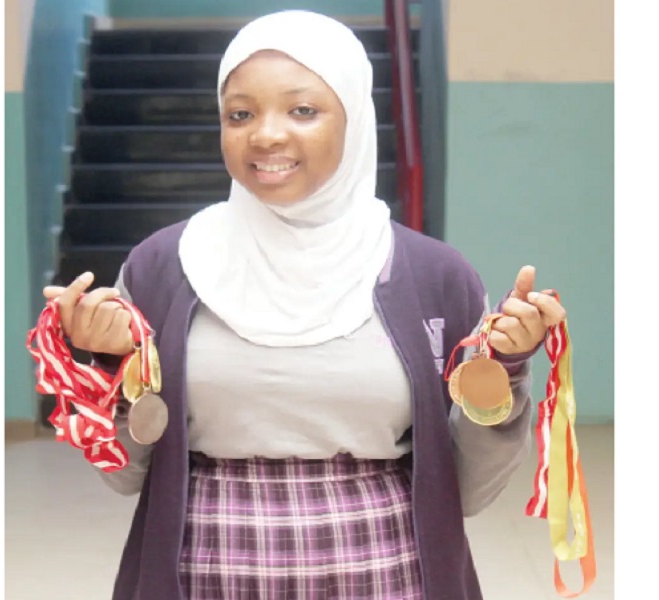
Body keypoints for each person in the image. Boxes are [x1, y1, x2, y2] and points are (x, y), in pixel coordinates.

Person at [42, 10, 566, 600]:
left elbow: (468, 487)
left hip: (386, 576)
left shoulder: (435, 276)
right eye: (240, 114)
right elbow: (124, 473)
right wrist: (111, 365)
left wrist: (504, 367)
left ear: (355, 119)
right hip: (205, 577)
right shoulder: (164, 267)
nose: (266, 136)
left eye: (302, 111)